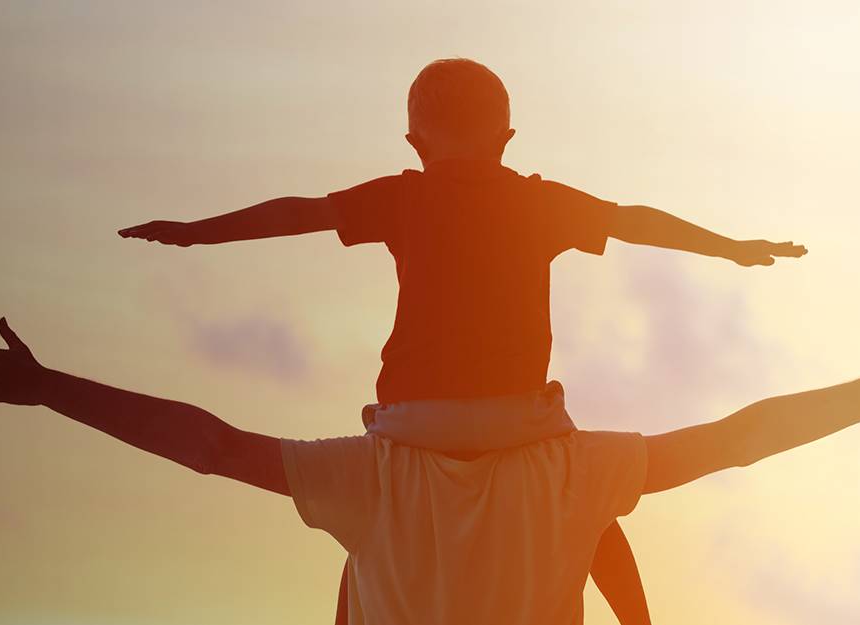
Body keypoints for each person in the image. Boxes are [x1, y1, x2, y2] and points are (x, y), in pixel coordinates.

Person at [118, 58, 810, 623]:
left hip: (412, 423)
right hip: (518, 418)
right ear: (507, 138)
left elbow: (299, 213)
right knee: (589, 494)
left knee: (363, 532)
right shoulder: (538, 201)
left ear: (415, 144)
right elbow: (634, 221)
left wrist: (195, 230)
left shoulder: (402, 195)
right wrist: (731, 247)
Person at [0, 316, 860, 624]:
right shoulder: (572, 475)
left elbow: (207, 445)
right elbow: (734, 437)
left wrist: (50, 386)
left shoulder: (367, 476)